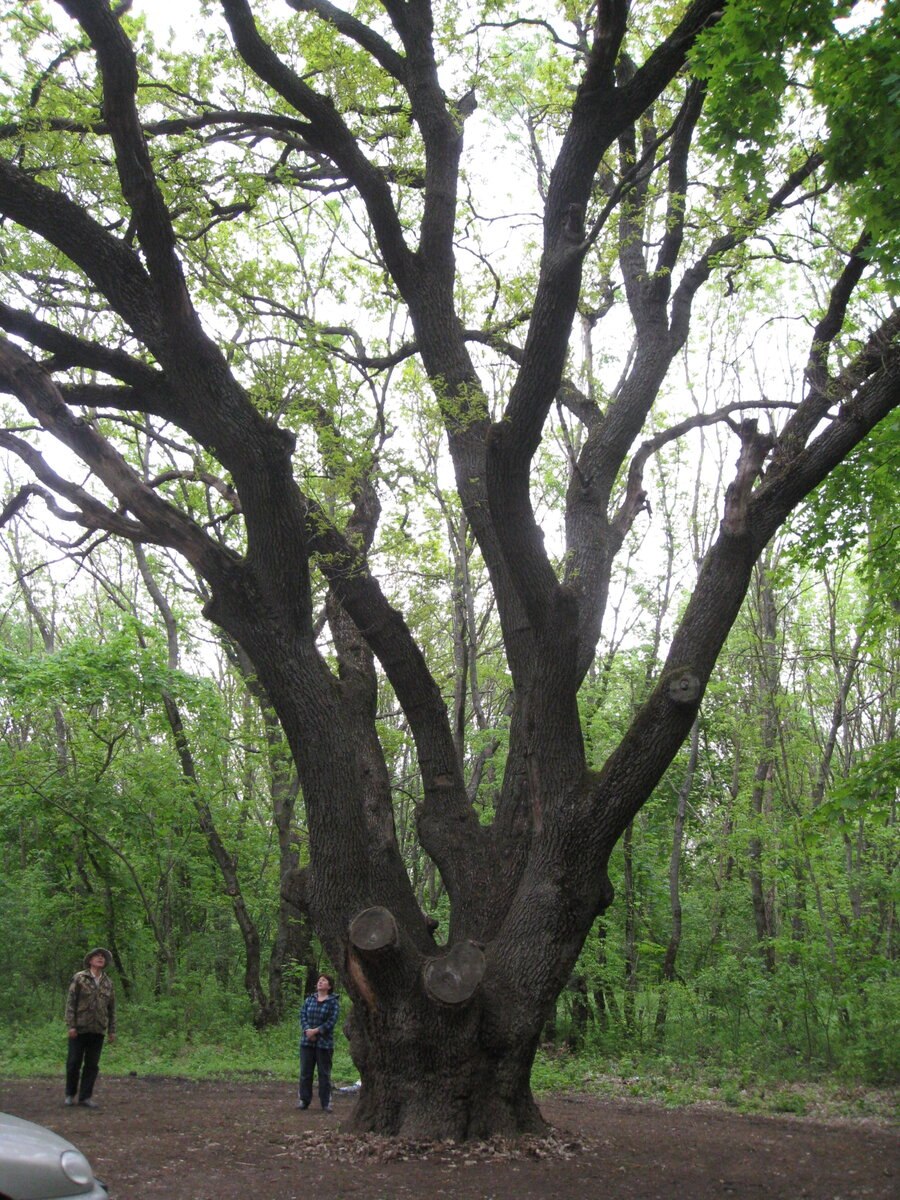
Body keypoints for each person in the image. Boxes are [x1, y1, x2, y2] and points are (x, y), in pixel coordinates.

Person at [64, 947, 117, 1109]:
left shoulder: (108, 982)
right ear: (90, 960)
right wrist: (71, 1025)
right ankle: (70, 1094)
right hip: (79, 1028)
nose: (100, 958)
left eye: (103, 957)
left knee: (92, 1065)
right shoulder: (80, 978)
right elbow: (71, 1002)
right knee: (73, 1062)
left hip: (98, 1029)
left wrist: (112, 1030)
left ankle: (85, 1097)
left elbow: (112, 1008)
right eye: (97, 956)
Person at [297, 973, 339, 1112]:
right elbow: (302, 1015)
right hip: (307, 1042)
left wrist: (317, 1031)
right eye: (319, 980)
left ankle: (325, 1102)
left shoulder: (333, 1002)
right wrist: (308, 1030)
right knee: (305, 1073)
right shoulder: (310, 1000)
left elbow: (331, 1021)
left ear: (329, 986)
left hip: (324, 1044)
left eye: (324, 981)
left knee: (324, 1073)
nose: (320, 982)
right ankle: (304, 1100)